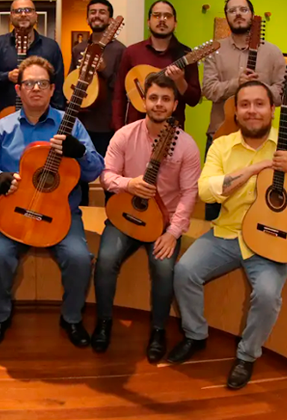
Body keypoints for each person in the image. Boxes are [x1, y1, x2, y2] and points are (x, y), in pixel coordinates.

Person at [168, 81, 287, 390]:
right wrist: (253, 170)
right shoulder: (222, 146)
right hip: (227, 234)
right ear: (235, 111)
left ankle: (247, 355)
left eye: (259, 104)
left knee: (266, 295)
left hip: (273, 240)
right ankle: (195, 335)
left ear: (272, 110)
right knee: (183, 272)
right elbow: (205, 192)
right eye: (245, 104)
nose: (252, 110)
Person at [0, 56, 104, 348]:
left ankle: (71, 318)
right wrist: (0, 178)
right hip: (14, 211)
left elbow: (96, 170)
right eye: (29, 83)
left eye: (42, 83)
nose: (35, 88)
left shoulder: (70, 123)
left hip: (61, 214)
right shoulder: (4, 127)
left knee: (80, 258)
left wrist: (79, 151)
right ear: (18, 90)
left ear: (52, 88)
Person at [95, 73, 201, 362]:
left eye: (165, 99)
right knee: (104, 260)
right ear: (144, 101)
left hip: (162, 223)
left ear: (174, 104)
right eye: (153, 97)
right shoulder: (124, 135)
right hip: (125, 215)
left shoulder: (187, 145)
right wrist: (129, 184)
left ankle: (158, 330)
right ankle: (103, 322)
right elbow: (106, 176)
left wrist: (173, 233)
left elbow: (190, 193)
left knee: (165, 269)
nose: (158, 104)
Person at [202, 0, 286, 221]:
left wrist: (260, 91)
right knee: (215, 203)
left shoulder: (273, 53)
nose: (238, 14)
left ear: (252, 14)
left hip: (261, 142)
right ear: (227, 17)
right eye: (232, 10)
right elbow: (208, 90)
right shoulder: (214, 50)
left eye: (243, 9)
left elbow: (283, 92)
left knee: (259, 202)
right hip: (221, 136)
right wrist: (235, 84)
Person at [69, 0, 126, 206]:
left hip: (106, 123)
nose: (97, 16)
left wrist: (104, 71)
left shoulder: (120, 50)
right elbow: (70, 81)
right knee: (78, 173)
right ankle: (78, 218)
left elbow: (122, 87)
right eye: (93, 12)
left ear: (110, 19)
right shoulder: (79, 49)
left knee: (109, 174)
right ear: (87, 18)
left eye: (102, 12)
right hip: (81, 122)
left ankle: (113, 220)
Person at [112, 0, 201, 131]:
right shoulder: (132, 52)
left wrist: (180, 81)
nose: (162, 20)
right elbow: (119, 95)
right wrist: (119, 129)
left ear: (175, 23)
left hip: (170, 132)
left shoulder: (186, 55)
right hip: (135, 128)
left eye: (168, 16)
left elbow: (194, 99)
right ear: (148, 22)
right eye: (156, 15)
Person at [0, 0, 65, 119]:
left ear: (36, 16)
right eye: (18, 11)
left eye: (28, 10)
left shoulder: (51, 46)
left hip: (44, 116)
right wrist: (7, 76)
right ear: (10, 17)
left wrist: (58, 117)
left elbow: (58, 85)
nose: (23, 14)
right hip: (6, 115)